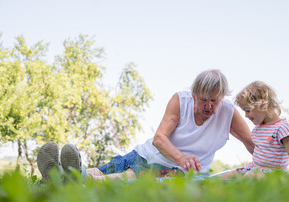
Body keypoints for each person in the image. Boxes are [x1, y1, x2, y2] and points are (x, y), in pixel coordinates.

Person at [37, 69, 254, 181]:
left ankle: (73, 178)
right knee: (108, 169)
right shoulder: (180, 100)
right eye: (203, 100)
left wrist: (277, 163)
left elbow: (254, 144)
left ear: (222, 97)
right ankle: (62, 176)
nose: (208, 106)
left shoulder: (228, 113)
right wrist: (183, 157)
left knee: (129, 177)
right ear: (194, 95)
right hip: (146, 154)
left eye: (214, 101)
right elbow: (160, 139)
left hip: (176, 173)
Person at [221, 81, 289, 179]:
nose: (246, 116)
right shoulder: (257, 129)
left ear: (263, 105)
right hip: (254, 168)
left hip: (274, 173)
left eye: (248, 110)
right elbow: (268, 143)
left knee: (249, 177)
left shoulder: (281, 128)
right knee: (224, 178)